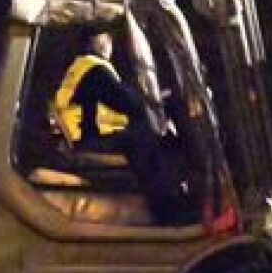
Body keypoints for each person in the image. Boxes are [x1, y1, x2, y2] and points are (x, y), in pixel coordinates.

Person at [53, 29, 189, 225]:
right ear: (96, 41)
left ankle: (170, 202)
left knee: (146, 134)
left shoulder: (82, 66)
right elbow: (128, 102)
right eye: (106, 37)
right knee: (147, 139)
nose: (110, 42)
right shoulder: (95, 69)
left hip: (85, 135)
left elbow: (122, 103)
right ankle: (167, 212)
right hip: (90, 138)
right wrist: (164, 99)